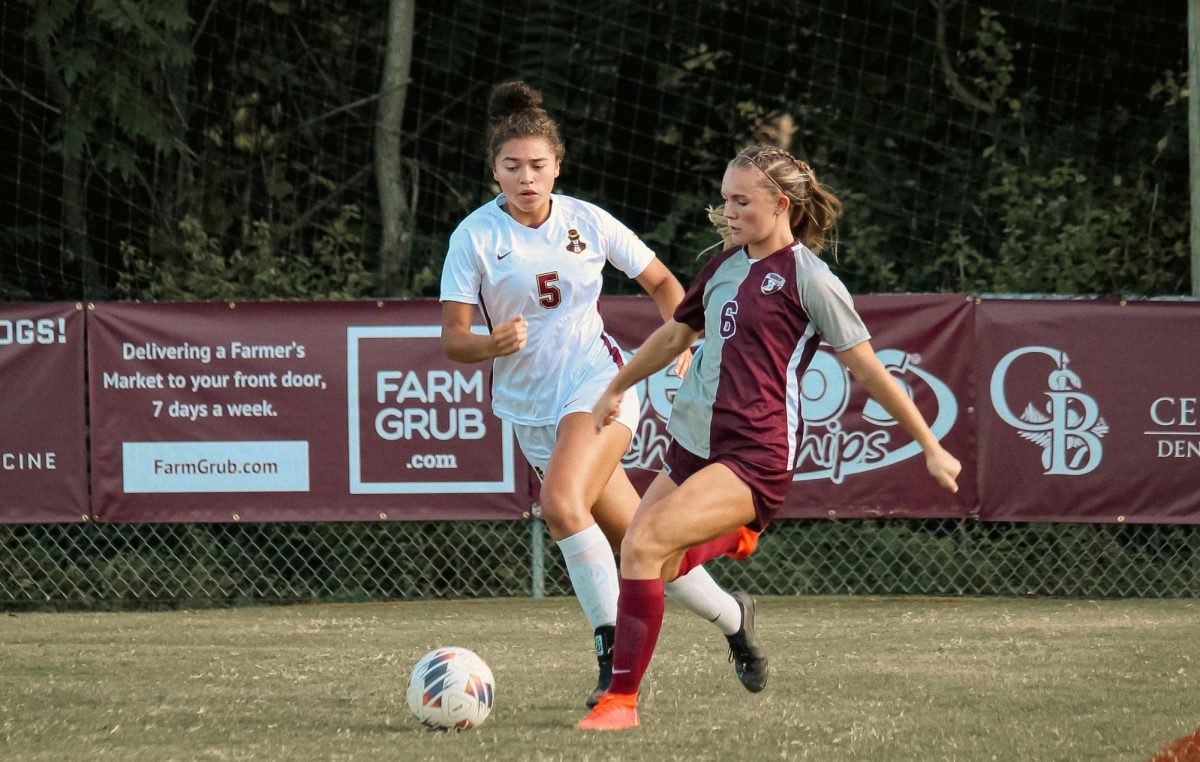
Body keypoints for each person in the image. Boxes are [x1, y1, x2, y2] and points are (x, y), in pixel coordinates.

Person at [578, 145, 963, 730]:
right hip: (693, 443)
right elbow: (676, 334)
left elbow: (869, 371)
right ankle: (733, 551)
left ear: (780, 205)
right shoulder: (725, 263)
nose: (727, 212)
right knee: (653, 557)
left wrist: (930, 445)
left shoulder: (810, 278)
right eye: (725, 199)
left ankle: (620, 703)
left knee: (641, 544)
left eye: (741, 201)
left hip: (755, 453)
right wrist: (617, 383)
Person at [439, 81, 767, 708]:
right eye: (513, 167)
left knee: (561, 504)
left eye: (538, 166)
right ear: (494, 172)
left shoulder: (586, 221)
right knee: (647, 548)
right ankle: (736, 619)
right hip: (527, 406)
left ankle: (611, 658)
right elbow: (454, 340)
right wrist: (491, 344)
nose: (527, 178)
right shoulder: (473, 238)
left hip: (600, 382)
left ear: (557, 167)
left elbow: (665, 282)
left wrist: (688, 343)